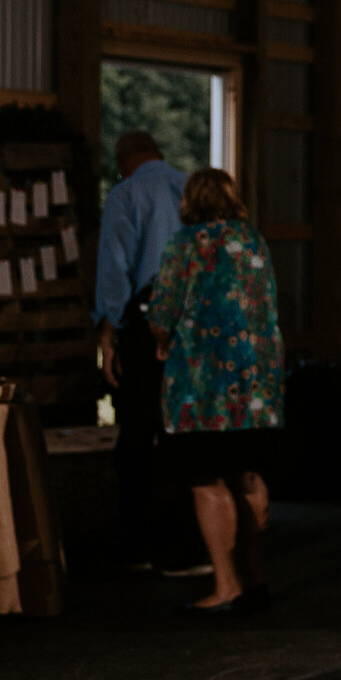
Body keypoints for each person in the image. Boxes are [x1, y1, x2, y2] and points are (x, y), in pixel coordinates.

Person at [147, 168, 283, 616]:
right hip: (256, 385)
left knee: (207, 480)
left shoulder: (186, 245)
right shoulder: (254, 241)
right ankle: (256, 578)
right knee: (248, 475)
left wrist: (161, 340)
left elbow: (162, 311)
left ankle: (227, 584)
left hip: (202, 387)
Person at [92, 130, 192, 573]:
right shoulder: (192, 186)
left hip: (144, 323)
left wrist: (109, 331)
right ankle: (186, 543)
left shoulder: (125, 195)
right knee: (183, 433)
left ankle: (137, 546)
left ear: (123, 162)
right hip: (193, 325)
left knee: (136, 434)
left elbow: (116, 267)